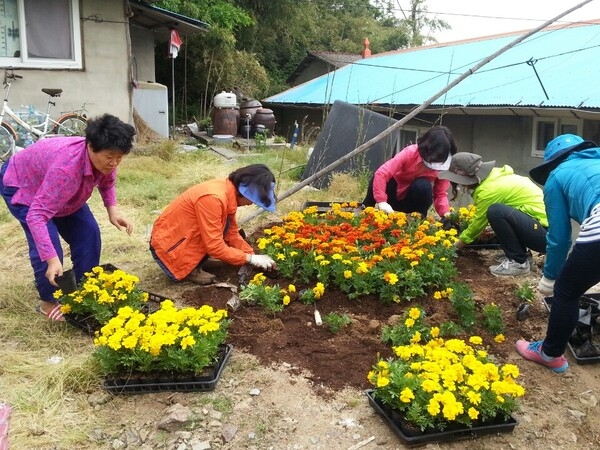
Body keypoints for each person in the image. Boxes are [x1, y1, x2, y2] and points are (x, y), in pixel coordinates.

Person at [0, 114, 136, 321]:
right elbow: (37, 216)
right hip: (23, 185)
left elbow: (107, 182)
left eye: (120, 157)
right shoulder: (66, 169)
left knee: (89, 232)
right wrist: (53, 259)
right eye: (110, 157)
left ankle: (84, 289)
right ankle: (48, 301)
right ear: (90, 146)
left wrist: (113, 211)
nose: (114, 163)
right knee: (48, 246)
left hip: (60, 191)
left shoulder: (105, 161)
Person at [515, 134, 600, 373]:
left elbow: (560, 237)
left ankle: (550, 353)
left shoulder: (557, 176)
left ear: (553, 162)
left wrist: (550, 277)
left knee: (566, 291)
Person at [150, 164, 277, 285]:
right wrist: (249, 258)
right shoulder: (213, 198)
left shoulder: (228, 192)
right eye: (254, 199)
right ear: (246, 192)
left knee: (225, 227)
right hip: (169, 247)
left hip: (183, 237)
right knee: (216, 242)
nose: (252, 203)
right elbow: (214, 246)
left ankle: (198, 260)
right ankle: (188, 267)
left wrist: (252, 255)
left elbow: (231, 233)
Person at [438, 152, 548, 277]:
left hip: (546, 236)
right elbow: (515, 213)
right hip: (543, 231)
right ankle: (523, 257)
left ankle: (518, 263)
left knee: (495, 211)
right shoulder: (494, 176)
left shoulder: (489, 190)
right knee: (496, 213)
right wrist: (491, 229)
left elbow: (477, 225)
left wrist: (454, 246)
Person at [362, 125, 457, 218]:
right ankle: (364, 213)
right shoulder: (410, 153)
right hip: (391, 194)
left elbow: (440, 193)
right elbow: (382, 173)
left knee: (423, 185)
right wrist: (381, 201)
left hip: (410, 202)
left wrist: (445, 213)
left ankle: (418, 220)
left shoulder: (444, 166)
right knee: (378, 178)